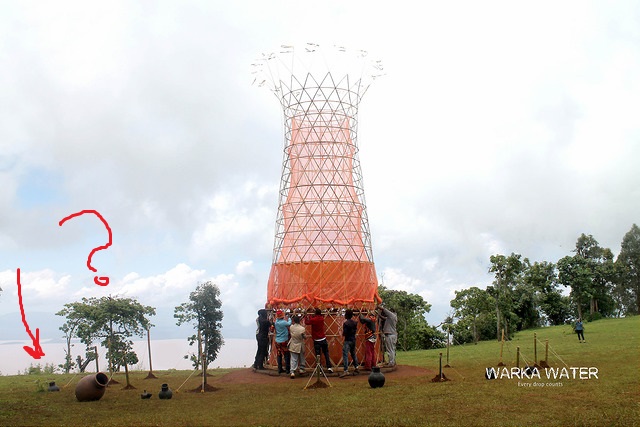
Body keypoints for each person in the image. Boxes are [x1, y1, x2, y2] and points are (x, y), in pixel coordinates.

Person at [305, 308, 334, 373]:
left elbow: (307, 322)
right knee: (326, 353)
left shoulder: (313, 320)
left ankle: (319, 369)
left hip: (317, 340)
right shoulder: (322, 319)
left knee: (318, 355)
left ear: (315, 313)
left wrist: (307, 315)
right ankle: (329, 367)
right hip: (323, 339)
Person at [339, 309, 359, 378]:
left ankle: (346, 370)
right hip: (353, 339)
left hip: (347, 340)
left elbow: (344, 333)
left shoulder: (346, 323)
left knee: (345, 354)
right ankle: (356, 367)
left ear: (347, 315)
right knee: (353, 353)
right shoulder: (355, 322)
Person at [274, 310, 292, 374]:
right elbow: (289, 323)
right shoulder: (283, 322)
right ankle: (287, 369)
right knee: (286, 355)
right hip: (284, 341)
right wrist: (289, 317)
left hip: (277, 341)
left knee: (279, 355)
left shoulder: (276, 322)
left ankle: (279, 369)